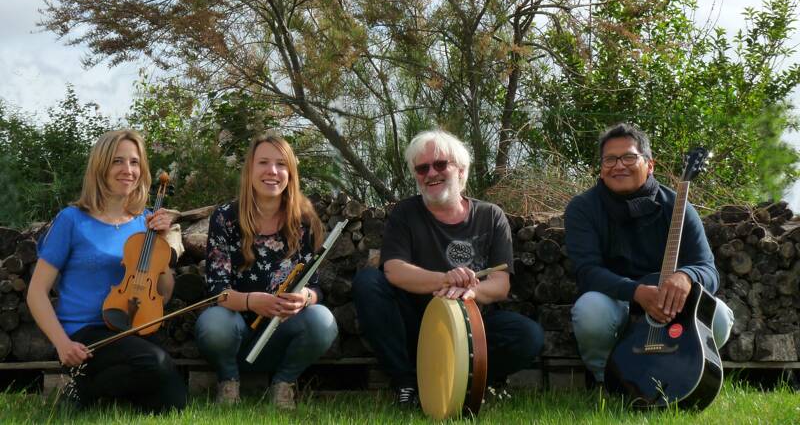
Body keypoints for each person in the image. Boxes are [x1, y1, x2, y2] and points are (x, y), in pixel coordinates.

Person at [352, 129, 544, 408]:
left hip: (468, 327)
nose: (431, 173)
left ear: (462, 170)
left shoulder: (491, 216)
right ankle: (406, 383)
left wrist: (468, 292)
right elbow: (393, 269)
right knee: (369, 282)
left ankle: (467, 382)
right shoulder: (406, 213)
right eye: (422, 168)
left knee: (528, 336)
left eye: (441, 164)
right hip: (415, 324)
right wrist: (444, 279)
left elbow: (500, 285)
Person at [27, 129, 187, 413]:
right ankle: (82, 391)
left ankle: (91, 388)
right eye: (118, 161)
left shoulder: (145, 223)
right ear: (101, 166)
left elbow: (163, 293)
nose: (128, 170)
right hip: (85, 333)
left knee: (173, 401)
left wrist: (160, 245)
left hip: (131, 327)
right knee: (155, 365)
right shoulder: (72, 220)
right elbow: (36, 292)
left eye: (135, 162)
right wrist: (62, 344)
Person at [565, 123, 734, 384]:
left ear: (650, 164)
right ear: (601, 166)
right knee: (590, 312)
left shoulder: (679, 206)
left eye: (629, 157)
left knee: (720, 317)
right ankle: (607, 382)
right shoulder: (583, 208)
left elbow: (708, 269)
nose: (618, 165)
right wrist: (636, 292)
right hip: (616, 300)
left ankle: (685, 376)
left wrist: (685, 277)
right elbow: (586, 271)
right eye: (610, 159)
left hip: (669, 304)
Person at [194, 133, 338, 409]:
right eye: (263, 163)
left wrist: (305, 298)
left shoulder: (304, 220)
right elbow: (217, 291)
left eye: (281, 164)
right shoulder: (225, 217)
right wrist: (253, 302)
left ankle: (283, 384)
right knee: (213, 323)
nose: (272, 171)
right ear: (250, 169)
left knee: (322, 320)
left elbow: (315, 285)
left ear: (290, 173)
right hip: (233, 333)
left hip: (281, 334)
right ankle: (229, 381)